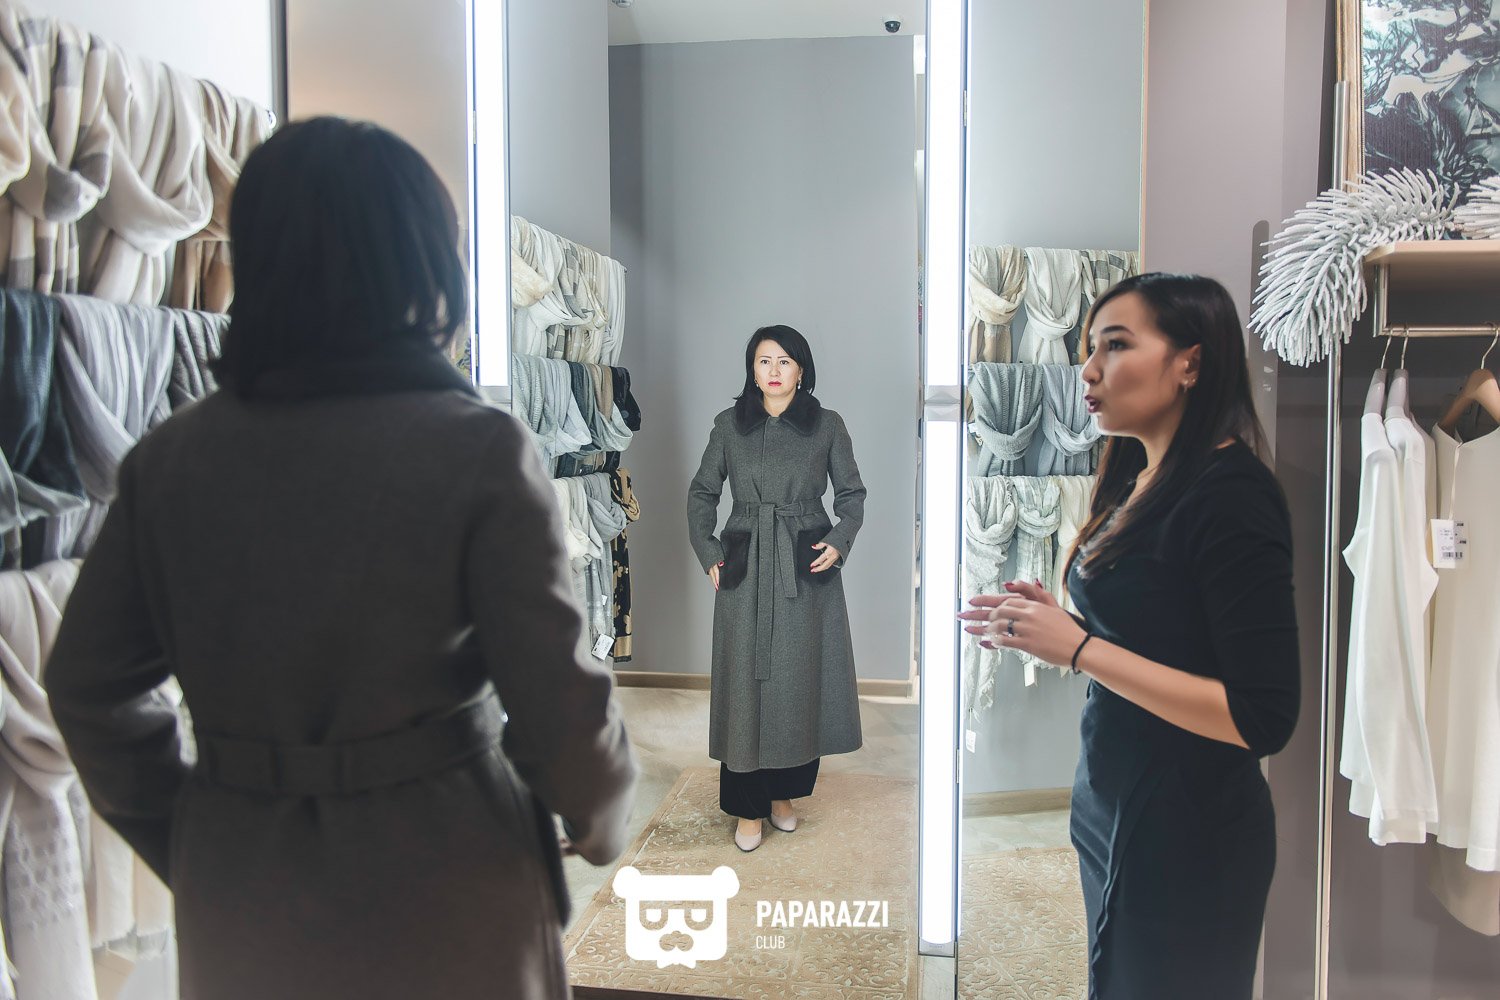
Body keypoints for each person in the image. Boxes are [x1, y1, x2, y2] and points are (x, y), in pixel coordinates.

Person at [45, 117, 638, 1000]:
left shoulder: (169, 462)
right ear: (427, 265)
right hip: (452, 877)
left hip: (245, 893)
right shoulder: (478, 450)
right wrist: (599, 819)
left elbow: (87, 688)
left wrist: (191, 832)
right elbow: (562, 707)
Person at [959, 273, 1299, 999]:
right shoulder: (1138, 477)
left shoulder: (1233, 495)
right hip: (1113, 801)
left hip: (1188, 828)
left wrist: (1081, 650)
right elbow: (1165, 631)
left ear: (1190, 363)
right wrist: (1064, 626)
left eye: (1114, 346)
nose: (1088, 370)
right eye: (1089, 348)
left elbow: (1261, 715)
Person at [687, 326, 866, 852]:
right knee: (745, 686)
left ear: (801, 370)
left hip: (803, 565)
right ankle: (748, 808)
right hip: (745, 563)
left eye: (784, 361)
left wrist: (839, 541)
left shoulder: (827, 425)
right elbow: (702, 493)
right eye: (764, 360)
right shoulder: (728, 425)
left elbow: (852, 494)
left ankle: (784, 796)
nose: (773, 370)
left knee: (797, 683)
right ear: (752, 369)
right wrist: (709, 551)